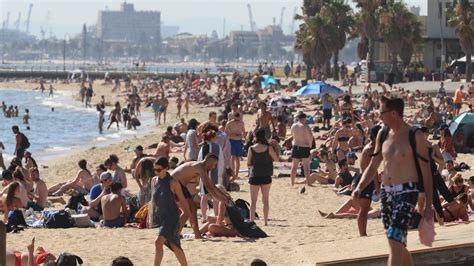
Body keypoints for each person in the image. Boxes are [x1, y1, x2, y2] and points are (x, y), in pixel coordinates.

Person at [353, 96, 433, 266]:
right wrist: (359, 187)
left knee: (394, 238)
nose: (379, 116)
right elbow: (374, 165)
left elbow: (426, 173)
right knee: (396, 242)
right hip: (386, 192)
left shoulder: (415, 136)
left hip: (407, 191)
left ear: (394, 113)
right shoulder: (382, 134)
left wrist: (428, 207)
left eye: (382, 112)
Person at [171, 154, 231, 238]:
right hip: (175, 184)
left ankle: (195, 234)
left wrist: (224, 196)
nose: (214, 167)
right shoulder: (199, 167)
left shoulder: (201, 167)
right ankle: (176, 234)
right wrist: (221, 199)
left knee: (192, 208)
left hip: (181, 186)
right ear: (209, 162)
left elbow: (211, 184)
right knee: (187, 211)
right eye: (214, 164)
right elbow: (208, 186)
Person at [152, 157, 190, 266]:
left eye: (159, 170)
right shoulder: (155, 180)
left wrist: (187, 214)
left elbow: (182, 199)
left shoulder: (173, 182)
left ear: (167, 168)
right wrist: (151, 217)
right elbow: (153, 201)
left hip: (172, 218)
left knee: (158, 242)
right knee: (174, 245)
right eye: (155, 170)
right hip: (161, 218)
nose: (156, 172)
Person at [247, 128, 279, 225]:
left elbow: (248, 163)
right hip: (266, 175)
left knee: (253, 201)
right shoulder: (268, 148)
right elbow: (276, 159)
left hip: (255, 175)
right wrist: (276, 148)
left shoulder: (251, 148)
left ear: (256, 136)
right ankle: (265, 221)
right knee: (265, 200)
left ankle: (252, 221)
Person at [354, 125, 381, 236]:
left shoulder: (372, 147)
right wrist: (376, 184)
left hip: (366, 179)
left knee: (365, 208)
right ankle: (362, 234)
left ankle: (363, 233)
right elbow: (371, 169)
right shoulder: (370, 149)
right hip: (365, 180)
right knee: (364, 209)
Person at [290, 112, 313, 186]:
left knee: (294, 166)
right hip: (304, 146)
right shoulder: (306, 126)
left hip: (296, 146)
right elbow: (310, 136)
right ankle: (309, 183)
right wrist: (310, 145)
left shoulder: (294, 125)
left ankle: (292, 183)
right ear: (304, 118)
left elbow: (292, 135)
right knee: (306, 166)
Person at [225, 112, 246, 179]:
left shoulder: (241, 123)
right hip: (232, 141)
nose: (237, 120)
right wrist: (232, 135)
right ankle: (233, 174)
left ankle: (236, 174)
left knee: (237, 159)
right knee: (232, 158)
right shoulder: (229, 123)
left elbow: (244, 132)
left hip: (238, 141)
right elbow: (225, 132)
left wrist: (242, 137)